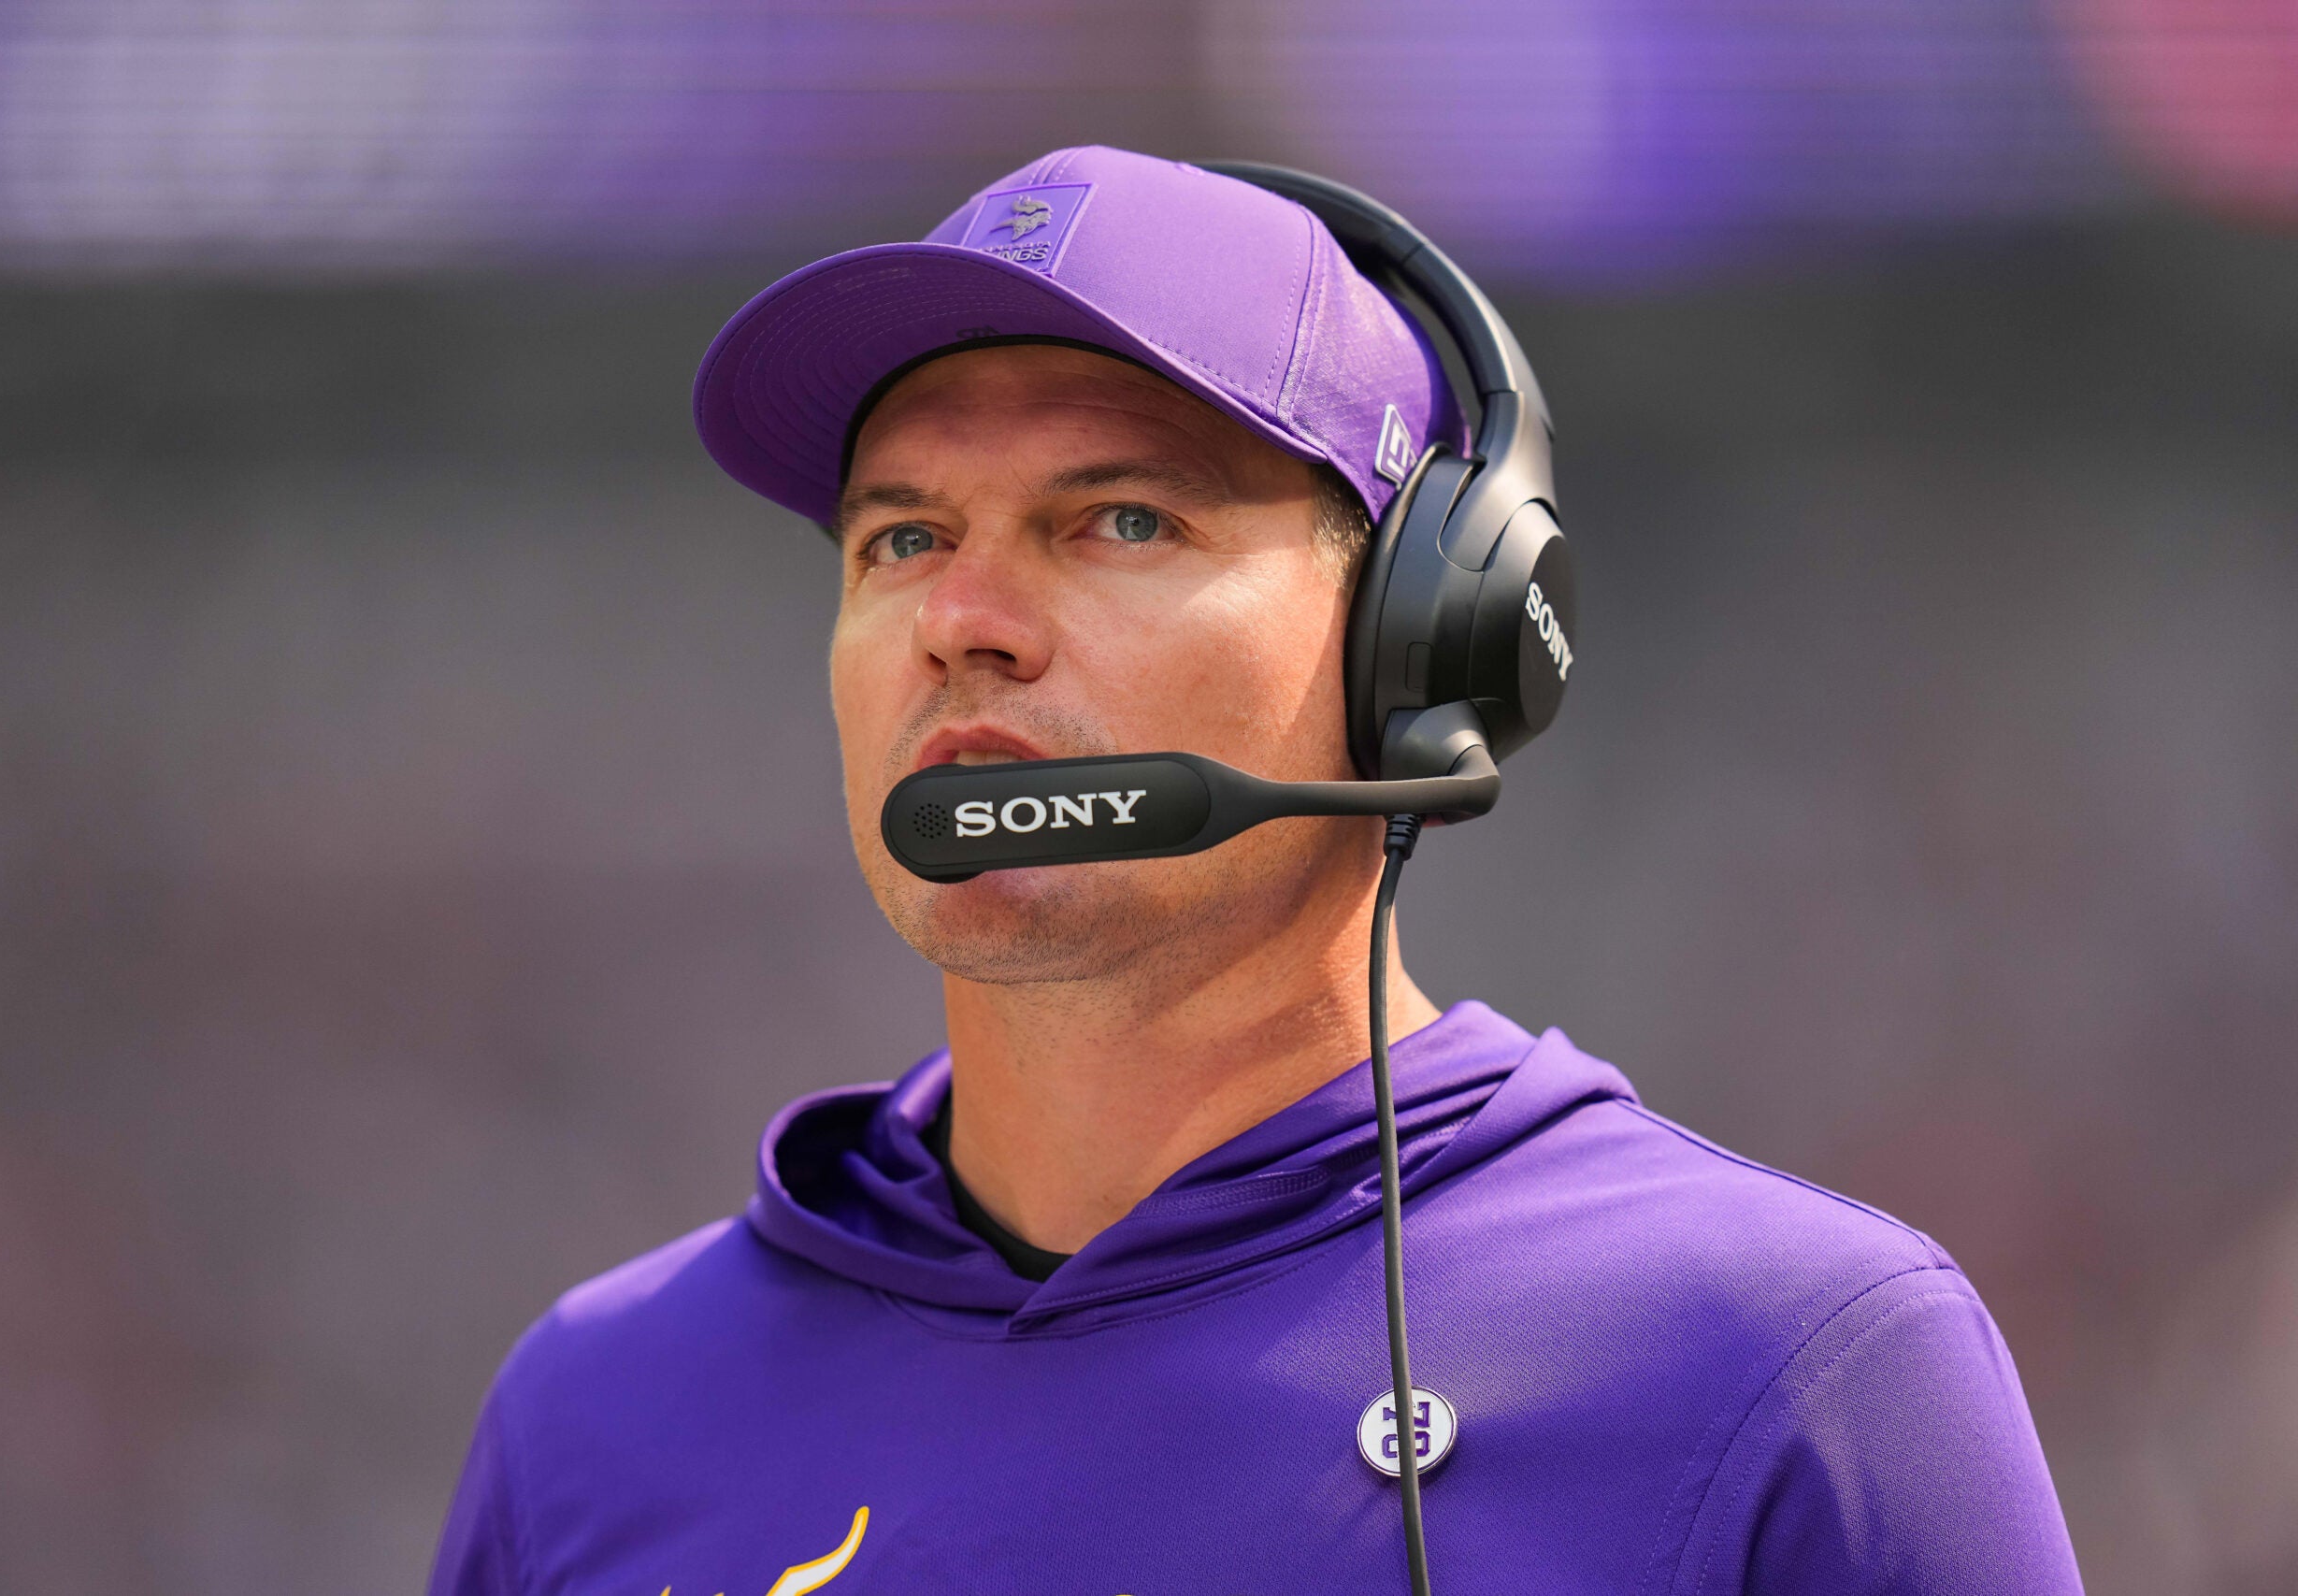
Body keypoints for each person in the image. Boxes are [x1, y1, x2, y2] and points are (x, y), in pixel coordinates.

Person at [428, 146, 2082, 1595]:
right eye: (903, 538)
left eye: (1123, 522)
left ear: (1417, 641)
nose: (961, 623)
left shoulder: (1784, 1365)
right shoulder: (597, 1408)